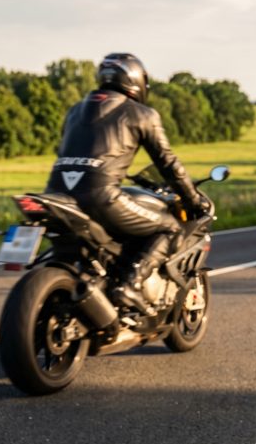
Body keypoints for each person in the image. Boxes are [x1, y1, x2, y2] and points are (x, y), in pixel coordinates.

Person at [44, 52, 208, 312]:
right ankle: (130, 283)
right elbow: (168, 164)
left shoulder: (76, 110)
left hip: (56, 193)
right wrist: (193, 199)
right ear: (136, 80)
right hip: (101, 197)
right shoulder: (142, 114)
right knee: (171, 228)